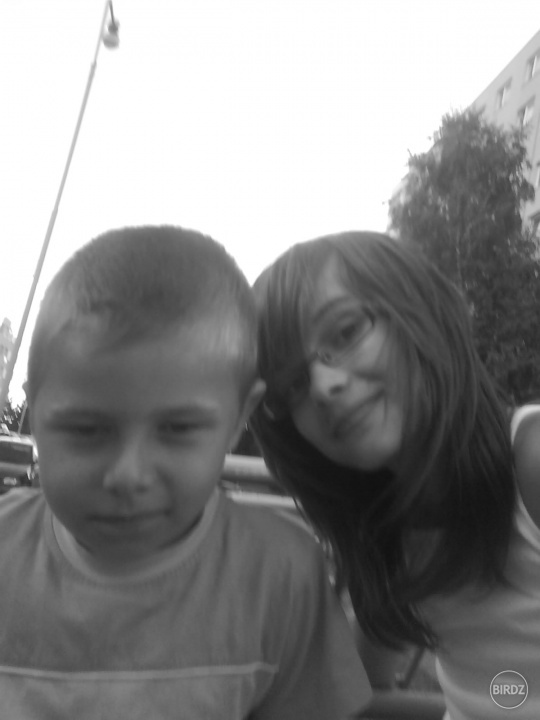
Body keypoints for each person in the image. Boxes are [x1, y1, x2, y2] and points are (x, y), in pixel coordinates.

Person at [0, 226, 371, 719]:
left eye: (177, 429)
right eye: (87, 430)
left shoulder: (282, 577)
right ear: (34, 407)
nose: (128, 475)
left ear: (240, 418)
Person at [249, 230, 540, 720]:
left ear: (420, 312)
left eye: (345, 333)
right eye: (292, 384)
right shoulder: (387, 530)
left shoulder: (530, 461)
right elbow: (362, 688)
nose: (322, 385)